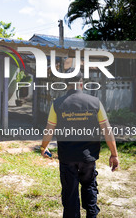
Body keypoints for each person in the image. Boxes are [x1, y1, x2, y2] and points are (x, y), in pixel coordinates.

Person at [40, 69, 119, 218]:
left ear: (65, 84)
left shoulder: (57, 104)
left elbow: (49, 129)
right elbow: (107, 130)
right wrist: (114, 154)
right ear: (81, 84)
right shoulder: (95, 102)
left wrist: (44, 147)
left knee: (70, 194)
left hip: (67, 158)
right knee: (89, 187)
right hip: (88, 158)